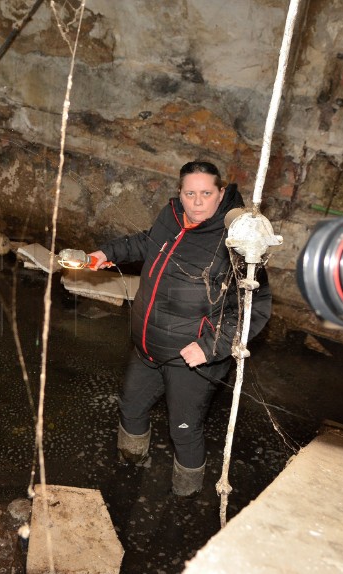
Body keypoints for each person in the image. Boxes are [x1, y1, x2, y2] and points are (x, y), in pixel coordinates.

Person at [88, 160, 272, 497]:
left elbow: (253, 308)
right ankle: (129, 465)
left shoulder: (237, 242)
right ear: (180, 194)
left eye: (206, 193)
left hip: (193, 359)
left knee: (184, 429)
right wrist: (107, 253)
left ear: (220, 194)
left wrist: (209, 346)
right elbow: (148, 243)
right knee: (131, 406)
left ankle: (184, 495)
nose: (197, 201)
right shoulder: (171, 216)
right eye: (190, 193)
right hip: (148, 345)